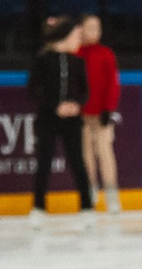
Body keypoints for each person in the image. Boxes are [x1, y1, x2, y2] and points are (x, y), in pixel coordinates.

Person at [24, 15, 91, 223]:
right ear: (65, 36)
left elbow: (84, 91)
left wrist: (76, 104)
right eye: (76, 35)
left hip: (72, 119)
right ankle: (38, 207)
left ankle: (87, 207)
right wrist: (55, 106)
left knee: (77, 162)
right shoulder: (42, 60)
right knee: (44, 162)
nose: (79, 39)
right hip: (48, 119)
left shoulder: (78, 62)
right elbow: (33, 90)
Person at [77, 13, 123, 214]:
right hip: (81, 114)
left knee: (105, 152)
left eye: (98, 27)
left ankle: (112, 195)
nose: (95, 32)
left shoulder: (106, 54)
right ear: (81, 30)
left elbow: (113, 84)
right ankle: (90, 192)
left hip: (101, 113)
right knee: (86, 154)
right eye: (90, 27)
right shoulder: (76, 53)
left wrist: (108, 108)